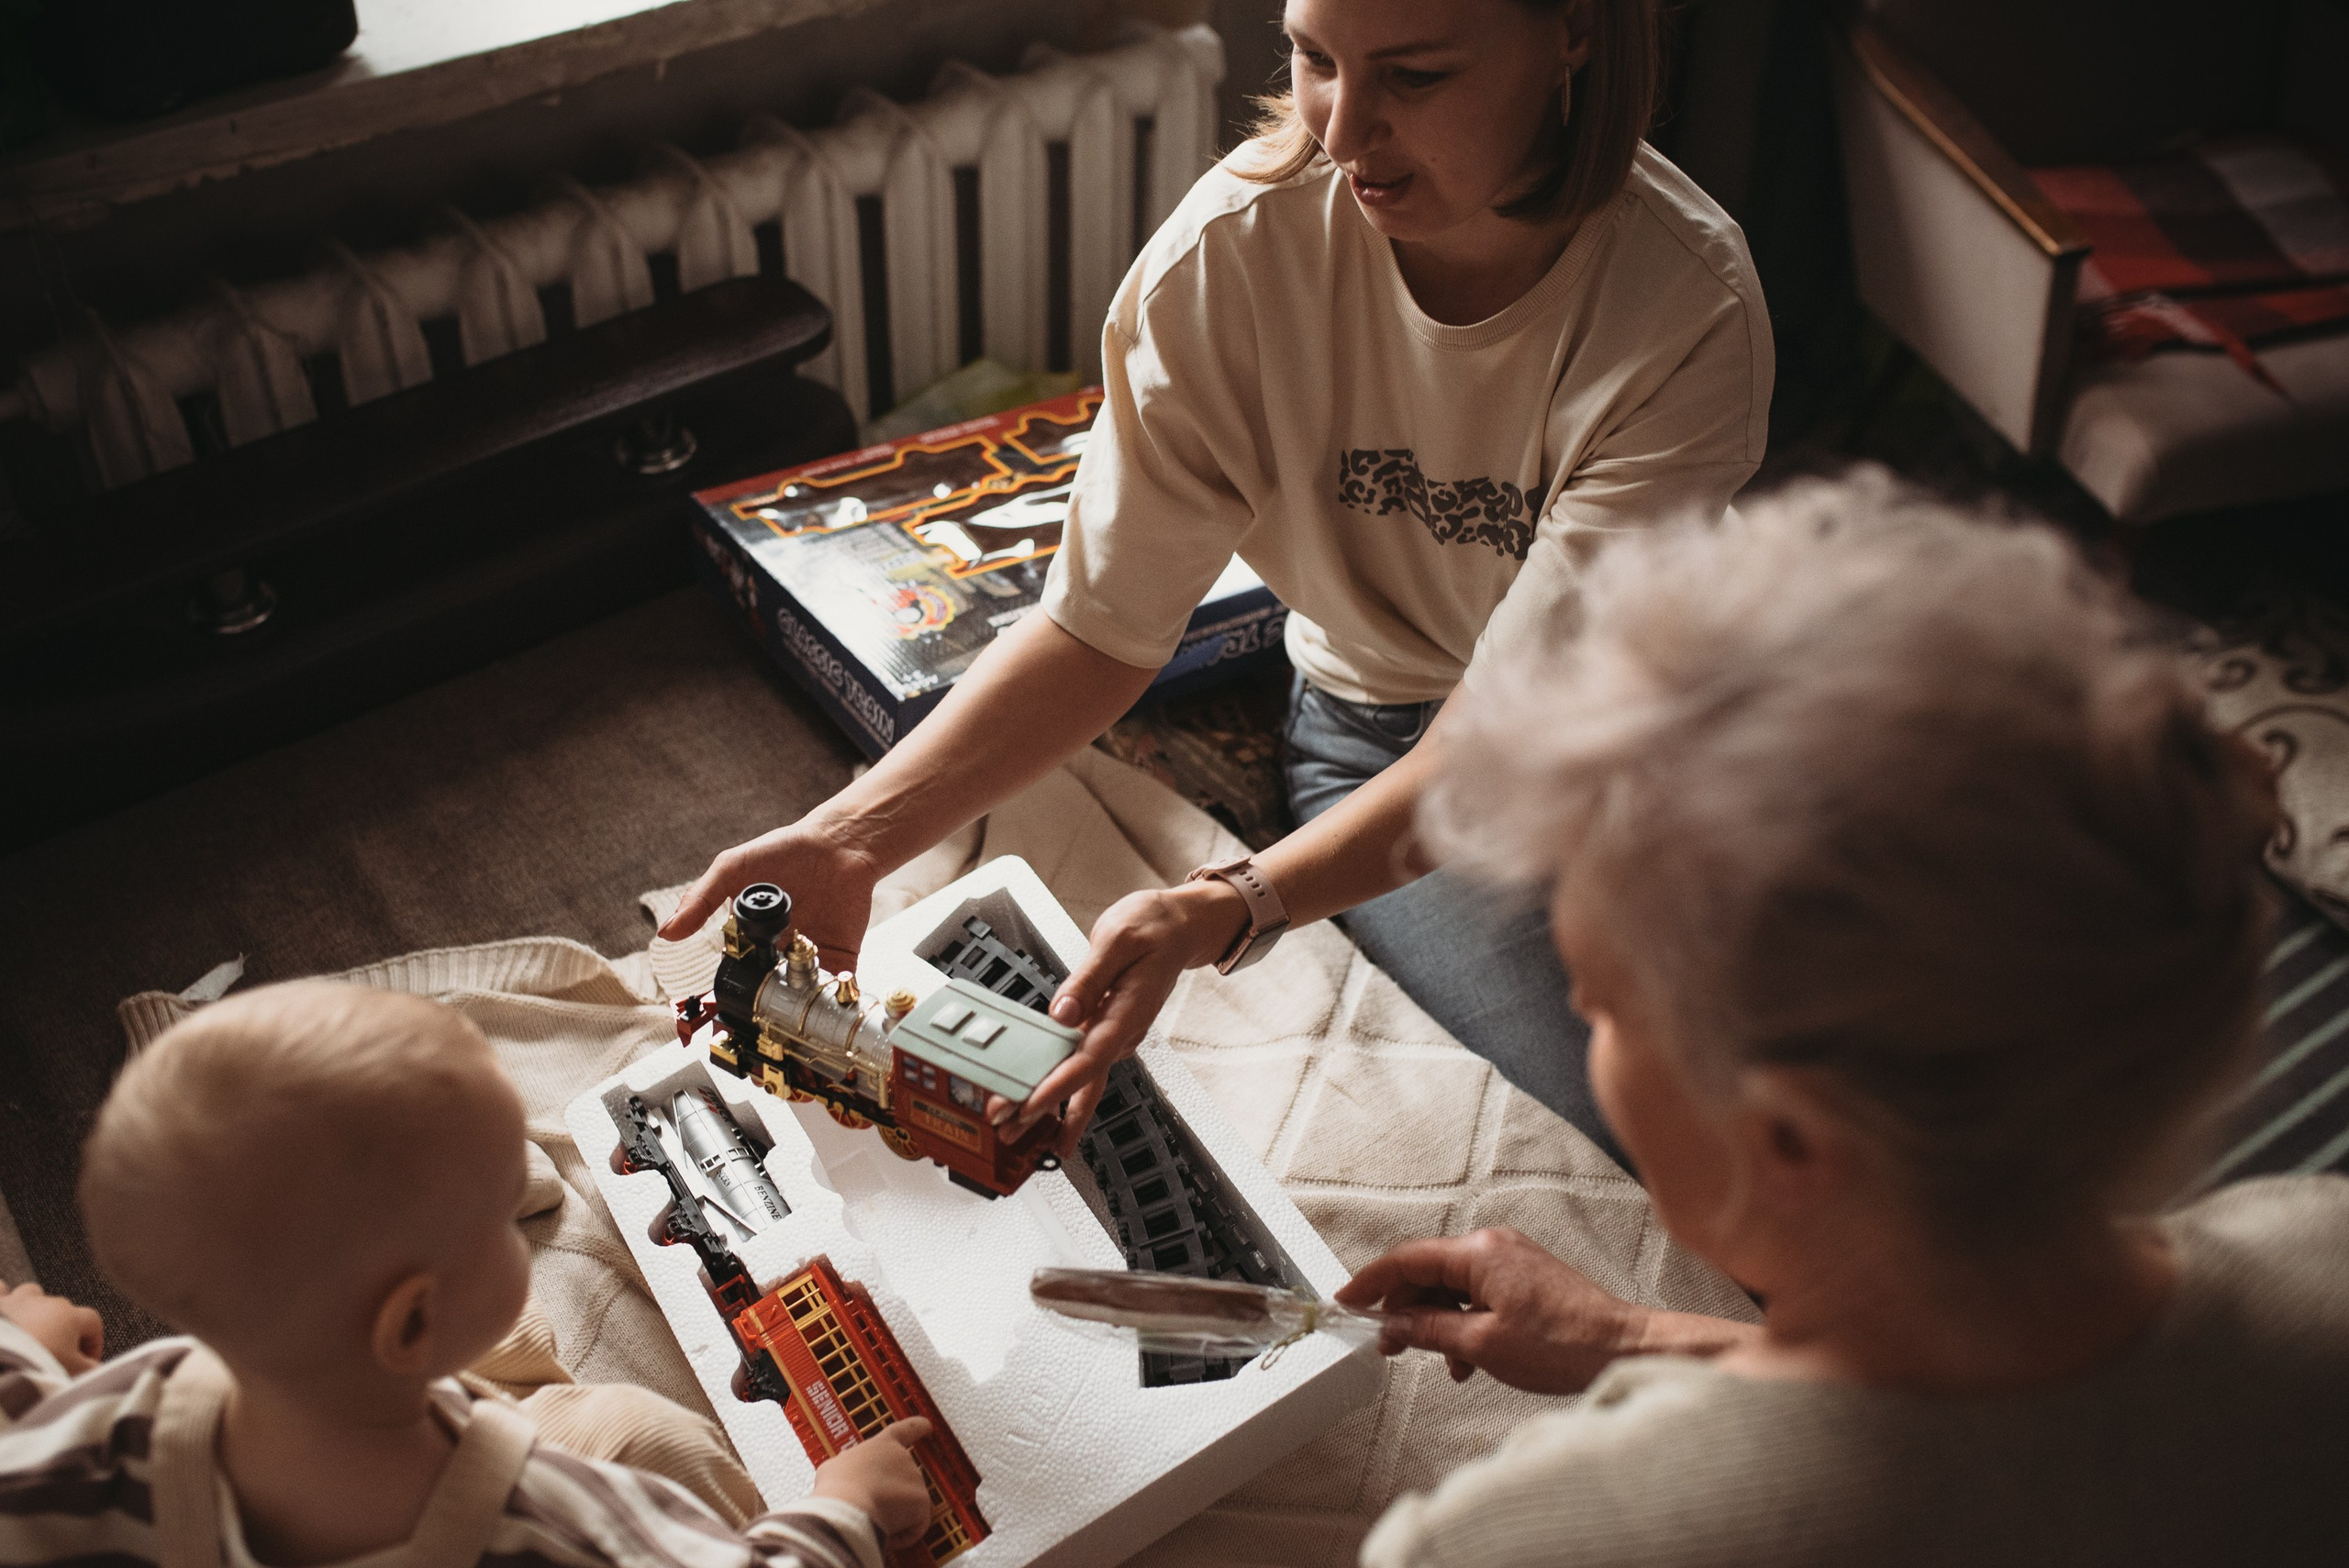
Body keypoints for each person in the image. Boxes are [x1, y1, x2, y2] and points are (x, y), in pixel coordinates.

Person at [661, 0, 1769, 1171]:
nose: (1345, 132)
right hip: (1383, 737)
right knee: (1649, 1140)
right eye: (1312, 59)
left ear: (1572, 34)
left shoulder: (1686, 306)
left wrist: (1235, 899)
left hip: (1659, 722)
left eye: (1416, 76)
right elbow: (1100, 625)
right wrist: (853, 837)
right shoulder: (1231, 254)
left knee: (1831, 1091)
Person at [1340, 473, 2349, 1566]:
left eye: (1601, 999)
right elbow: (2015, 1422)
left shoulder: (1512, 1543)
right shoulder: (2320, 1252)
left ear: (1786, 1136)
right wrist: (1636, 1334)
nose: (1580, 1014)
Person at [0, 981, 931, 1568]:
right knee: (645, 1429)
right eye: (499, 1213)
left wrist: (21, 1357)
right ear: (410, 1326)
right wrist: (841, 1511)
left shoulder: (81, 1432)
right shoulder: (561, 1523)